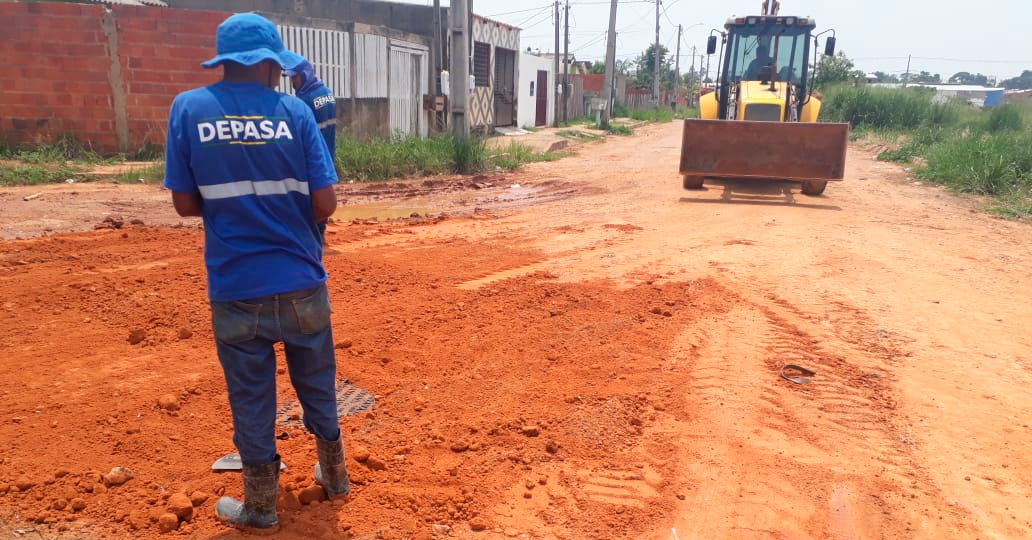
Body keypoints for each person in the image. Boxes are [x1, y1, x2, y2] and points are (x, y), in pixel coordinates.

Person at [163, 12, 350, 532]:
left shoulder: (189, 108)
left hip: (235, 286)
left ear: (226, 62)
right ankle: (336, 478)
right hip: (300, 281)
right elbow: (326, 204)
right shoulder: (294, 111)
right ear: (271, 63)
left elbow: (183, 203)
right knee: (317, 381)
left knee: (250, 396)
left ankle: (261, 507)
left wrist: (234, 208)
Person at [285, 60, 336, 245]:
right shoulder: (327, 93)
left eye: (295, 77)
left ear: (304, 75)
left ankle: (312, 236)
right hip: (329, 150)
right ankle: (320, 233)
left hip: (312, 153)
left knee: (310, 194)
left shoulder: (304, 101)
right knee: (323, 188)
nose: (293, 81)